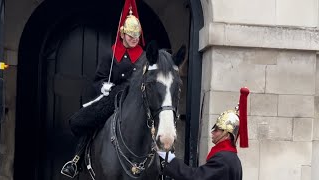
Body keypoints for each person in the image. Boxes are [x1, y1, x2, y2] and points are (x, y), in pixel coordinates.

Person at [61, 0, 146, 178]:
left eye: (136, 36)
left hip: (136, 98)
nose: (134, 39)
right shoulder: (111, 53)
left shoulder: (144, 57)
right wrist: (103, 87)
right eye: (131, 35)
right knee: (92, 121)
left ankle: (161, 162)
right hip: (114, 96)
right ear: (122, 34)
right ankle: (76, 160)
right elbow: (98, 79)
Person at [157, 87, 250, 180]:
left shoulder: (223, 159)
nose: (212, 132)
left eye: (217, 130)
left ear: (226, 134)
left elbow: (196, 177)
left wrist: (171, 161)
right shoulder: (231, 158)